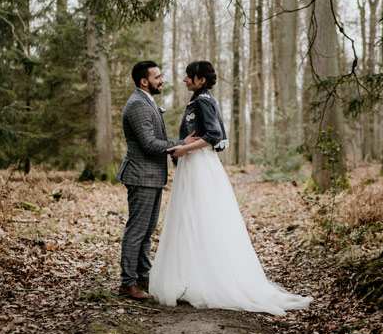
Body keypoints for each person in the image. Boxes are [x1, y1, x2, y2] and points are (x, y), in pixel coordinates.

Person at [151, 60, 312, 315]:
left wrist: (184, 148)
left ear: (201, 79)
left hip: (199, 166)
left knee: (199, 218)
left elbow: (213, 136)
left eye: (188, 76)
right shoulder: (201, 99)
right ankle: (193, 275)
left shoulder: (203, 100)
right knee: (192, 219)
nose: (184, 79)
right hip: (196, 166)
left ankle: (204, 279)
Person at [116, 60, 198, 300]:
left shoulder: (147, 101)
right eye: (157, 77)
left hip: (150, 177)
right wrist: (181, 143)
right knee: (137, 230)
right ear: (144, 81)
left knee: (147, 230)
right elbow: (150, 144)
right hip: (141, 176)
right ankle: (127, 282)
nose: (162, 80)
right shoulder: (137, 105)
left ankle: (142, 276)